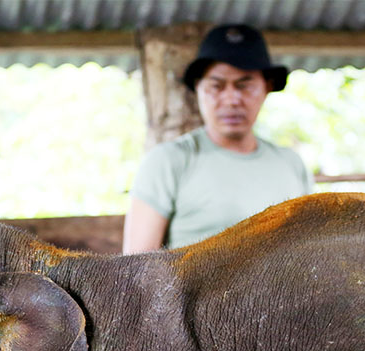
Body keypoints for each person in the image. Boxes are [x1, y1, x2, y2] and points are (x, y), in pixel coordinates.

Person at [123, 23, 313, 253]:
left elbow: (307, 254)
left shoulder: (291, 164)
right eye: (217, 86)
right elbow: (135, 267)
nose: (232, 99)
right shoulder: (168, 161)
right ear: (198, 88)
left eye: (245, 85)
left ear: (267, 87)